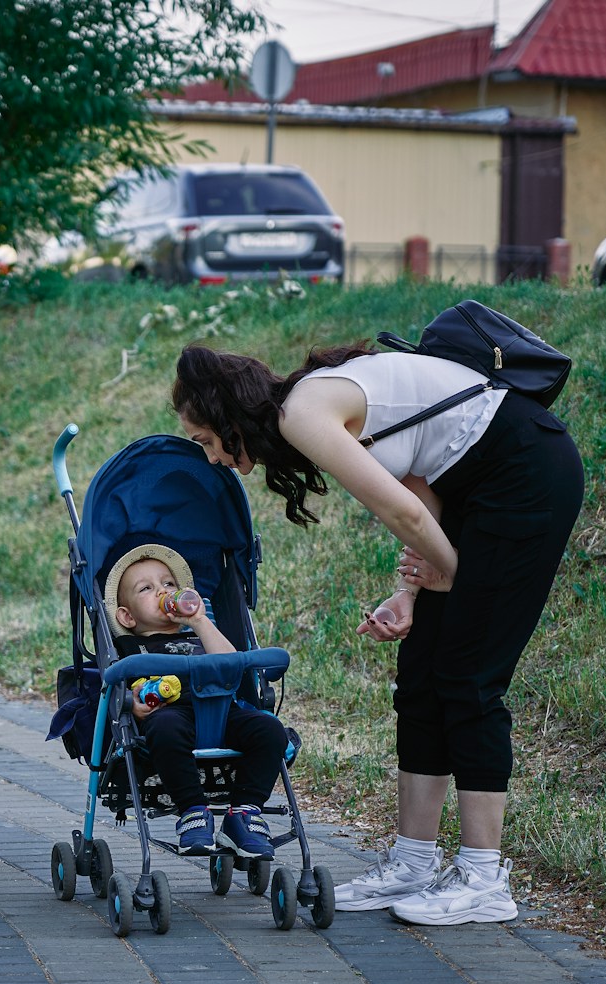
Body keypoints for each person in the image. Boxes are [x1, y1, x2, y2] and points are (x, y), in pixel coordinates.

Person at [172, 340, 583, 925]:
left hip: (524, 474)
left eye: (206, 441)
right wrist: (413, 590)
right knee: (420, 679)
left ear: (227, 417)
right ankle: (414, 862)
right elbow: (420, 485)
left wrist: (455, 576)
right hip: (475, 486)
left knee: (468, 677)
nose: (211, 458)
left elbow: (407, 515)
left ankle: (485, 877)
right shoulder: (306, 405)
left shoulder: (302, 414)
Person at [103, 542, 289, 860]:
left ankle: (244, 813)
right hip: (170, 714)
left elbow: (233, 664)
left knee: (270, 730)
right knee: (165, 729)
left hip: (222, 711)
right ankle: (192, 810)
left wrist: (201, 622)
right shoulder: (130, 647)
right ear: (127, 616)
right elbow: (119, 689)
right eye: (147, 588)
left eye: (169, 584)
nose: (163, 592)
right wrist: (132, 704)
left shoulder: (199, 634)